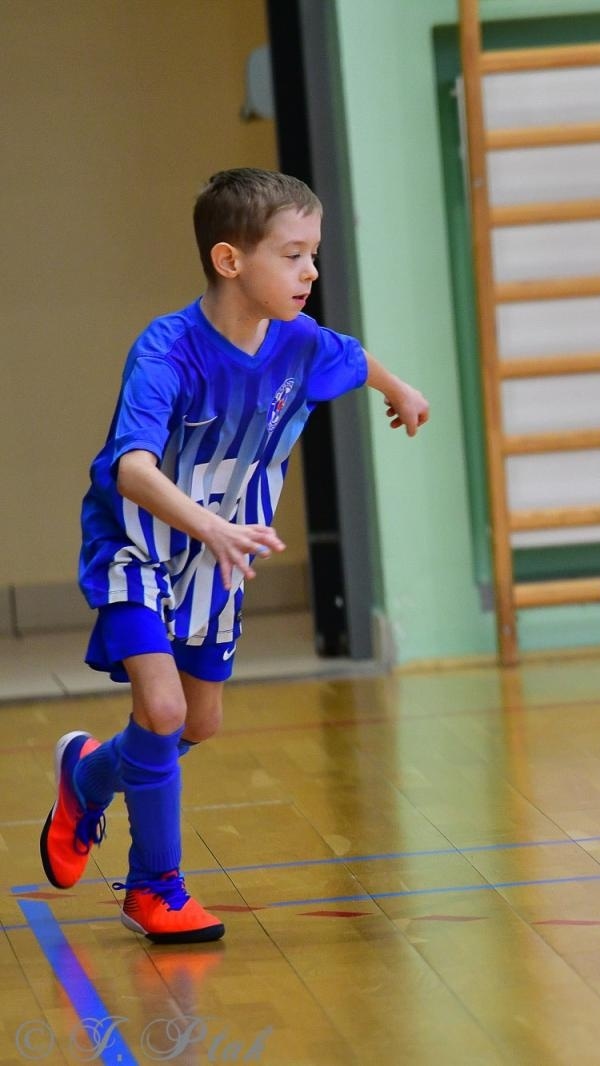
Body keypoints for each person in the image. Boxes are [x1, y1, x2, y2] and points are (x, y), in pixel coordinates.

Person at [40, 168, 430, 942]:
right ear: (229, 261)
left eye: (313, 254)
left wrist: (401, 389)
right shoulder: (166, 351)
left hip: (218, 559)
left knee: (198, 723)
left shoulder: (300, 343)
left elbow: (351, 357)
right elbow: (133, 468)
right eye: (293, 255)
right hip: (140, 543)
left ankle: (86, 777)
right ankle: (156, 890)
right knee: (163, 709)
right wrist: (210, 528)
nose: (310, 271)